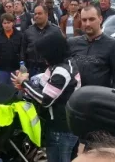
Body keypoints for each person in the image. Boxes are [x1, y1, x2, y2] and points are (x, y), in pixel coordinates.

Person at [11, 32, 81, 162]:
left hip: (62, 128)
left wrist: (24, 83)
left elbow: (45, 99)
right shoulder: (57, 65)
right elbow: (42, 87)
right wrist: (26, 86)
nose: (43, 58)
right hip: (57, 124)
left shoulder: (63, 71)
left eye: (44, 54)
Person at [68, 5, 115, 91]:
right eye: (84, 20)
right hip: (74, 98)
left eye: (91, 19)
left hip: (99, 99)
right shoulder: (72, 43)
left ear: (100, 19)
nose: (87, 24)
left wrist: (110, 100)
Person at [21, 5, 62, 76]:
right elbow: (23, 52)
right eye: (35, 14)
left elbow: (61, 52)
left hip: (50, 70)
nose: (36, 16)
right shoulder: (28, 32)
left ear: (46, 14)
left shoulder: (55, 31)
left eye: (39, 13)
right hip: (32, 70)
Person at [0, 13, 22, 85]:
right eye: (4, 23)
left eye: (9, 23)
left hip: (15, 67)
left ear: (13, 23)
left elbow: (22, 51)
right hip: (2, 68)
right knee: (2, 88)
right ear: (2, 24)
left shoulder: (20, 35)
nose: (7, 25)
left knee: (14, 89)